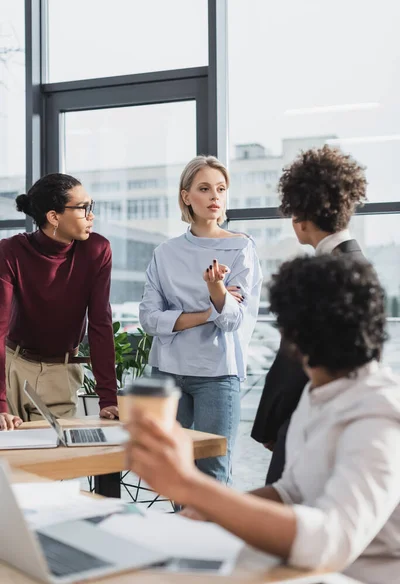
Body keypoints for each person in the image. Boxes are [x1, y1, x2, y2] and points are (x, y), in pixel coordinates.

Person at [126, 255, 400, 584]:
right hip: (301, 568)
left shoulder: (380, 414)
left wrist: (191, 486)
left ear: (293, 335)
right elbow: (291, 491)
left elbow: (329, 543)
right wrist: (211, 512)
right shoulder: (324, 391)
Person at [139, 155, 262, 484]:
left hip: (217, 375)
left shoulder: (241, 248)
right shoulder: (164, 253)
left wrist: (215, 290)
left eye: (221, 189)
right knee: (174, 470)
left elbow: (234, 321)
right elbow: (149, 319)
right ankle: (185, 536)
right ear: (186, 196)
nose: (215, 197)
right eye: (204, 188)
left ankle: (214, 537)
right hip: (166, 373)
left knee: (213, 470)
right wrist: (211, 309)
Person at [251, 145, 368, 483]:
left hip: (309, 418)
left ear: (299, 218)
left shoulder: (320, 274)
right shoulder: (360, 265)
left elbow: (293, 358)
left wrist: (268, 428)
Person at [0, 173, 118, 431]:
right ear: (54, 217)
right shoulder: (10, 251)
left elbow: (100, 324)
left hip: (61, 373)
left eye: (91, 206)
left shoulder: (97, 251)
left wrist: (108, 399)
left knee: (55, 462)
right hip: (12, 368)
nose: (91, 215)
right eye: (83, 208)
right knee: (8, 465)